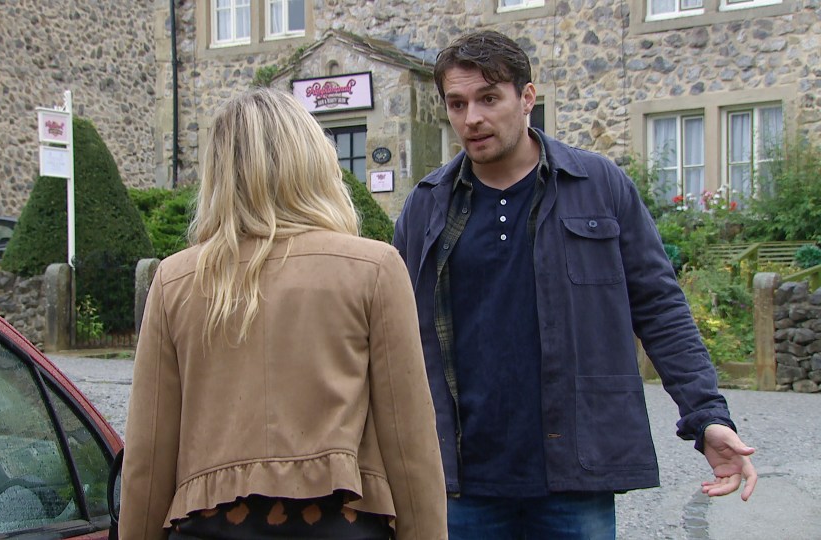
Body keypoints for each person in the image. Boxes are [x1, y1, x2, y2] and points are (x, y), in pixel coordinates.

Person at [392, 30, 757, 539]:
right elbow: (392, 338)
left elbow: (659, 307)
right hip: (463, 480)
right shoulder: (427, 205)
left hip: (572, 476)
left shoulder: (599, 186)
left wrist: (708, 416)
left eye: (489, 98)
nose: (471, 117)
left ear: (527, 98)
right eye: (457, 103)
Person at [119, 88, 447, 540]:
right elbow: (411, 450)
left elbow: (147, 456)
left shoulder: (175, 280)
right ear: (314, 161)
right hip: (341, 524)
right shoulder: (373, 268)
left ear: (218, 174)